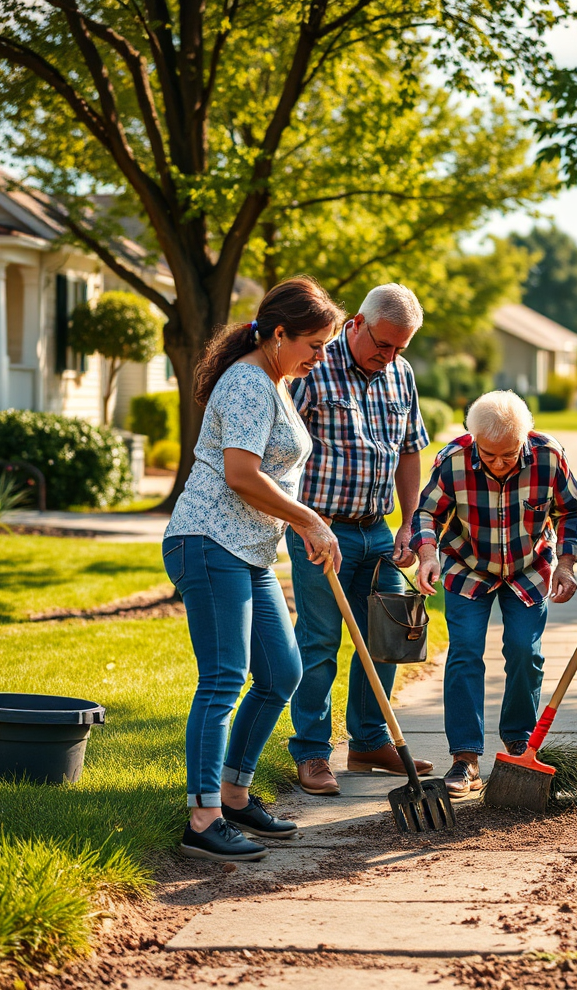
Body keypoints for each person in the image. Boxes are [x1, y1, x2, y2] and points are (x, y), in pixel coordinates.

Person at [162, 276, 345, 861]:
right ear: (280, 333)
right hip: (209, 540)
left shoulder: (273, 380)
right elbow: (241, 474)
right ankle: (203, 815)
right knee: (223, 679)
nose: (321, 357)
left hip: (247, 549)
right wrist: (308, 520)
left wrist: (298, 520)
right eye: (314, 345)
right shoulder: (246, 382)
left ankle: (236, 795)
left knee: (281, 673)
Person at [287, 283, 433, 794]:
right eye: (382, 344)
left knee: (390, 637)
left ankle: (369, 742)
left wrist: (412, 521)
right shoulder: (312, 367)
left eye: (399, 348)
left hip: (379, 530)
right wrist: (303, 520)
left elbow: (412, 448)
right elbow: (278, 447)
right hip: (321, 530)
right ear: (356, 324)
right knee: (321, 640)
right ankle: (312, 753)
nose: (388, 356)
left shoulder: (402, 374)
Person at [413, 390, 577, 798]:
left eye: (508, 455)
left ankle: (518, 744)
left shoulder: (549, 457)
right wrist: (426, 556)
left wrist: (565, 563)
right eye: (488, 455)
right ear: (474, 439)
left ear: (525, 437)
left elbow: (572, 509)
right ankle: (465, 758)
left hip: (528, 568)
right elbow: (427, 513)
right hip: (467, 566)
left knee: (525, 651)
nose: (497, 463)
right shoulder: (452, 460)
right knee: (465, 652)